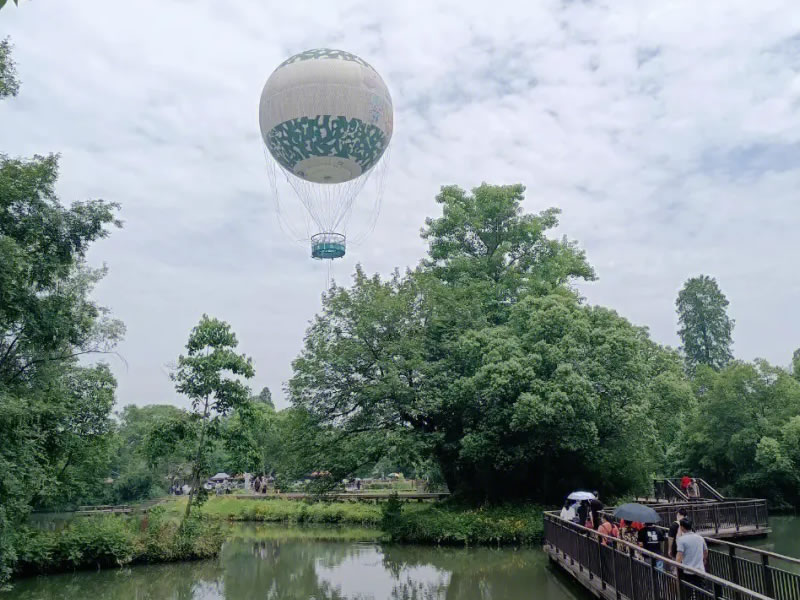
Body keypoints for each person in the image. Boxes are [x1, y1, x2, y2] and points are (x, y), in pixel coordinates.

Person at [676, 518, 708, 595]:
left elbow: (679, 556)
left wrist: (676, 567)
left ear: (682, 527)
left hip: (687, 570)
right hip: (700, 570)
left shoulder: (681, 540)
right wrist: (704, 560)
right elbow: (706, 551)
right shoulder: (700, 538)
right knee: (701, 592)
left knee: (688, 592)